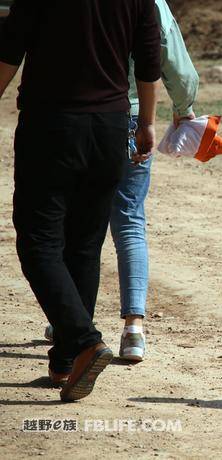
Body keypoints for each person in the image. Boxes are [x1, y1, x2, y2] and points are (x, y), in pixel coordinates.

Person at [0, 0, 160, 401]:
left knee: (38, 243)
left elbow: (9, 50)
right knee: (85, 248)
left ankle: (85, 341)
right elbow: (149, 59)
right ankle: (67, 361)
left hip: (51, 126)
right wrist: (147, 123)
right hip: (109, 128)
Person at [43, 0, 200, 363]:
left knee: (79, 220)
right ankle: (133, 329)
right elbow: (172, 57)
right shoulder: (150, 3)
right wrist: (184, 106)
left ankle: (72, 319)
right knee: (129, 221)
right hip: (127, 117)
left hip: (74, 115)